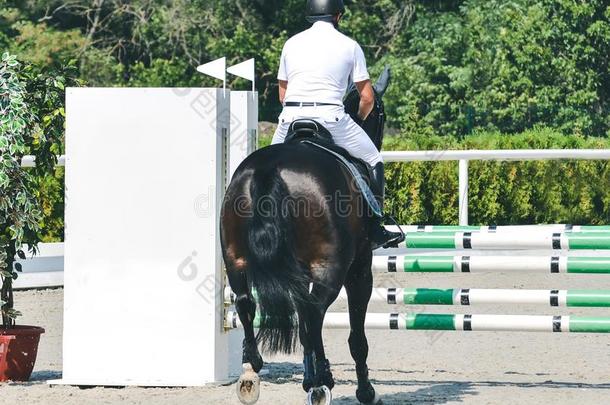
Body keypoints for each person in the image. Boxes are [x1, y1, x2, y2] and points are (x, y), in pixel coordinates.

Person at [272, 0, 404, 250]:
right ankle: (376, 225)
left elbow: (282, 95)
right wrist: (358, 120)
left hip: (289, 118)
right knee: (374, 159)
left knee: (267, 163)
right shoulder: (349, 46)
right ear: (338, 17)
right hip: (331, 118)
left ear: (310, 15)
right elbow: (367, 98)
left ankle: (256, 214)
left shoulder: (291, 43)